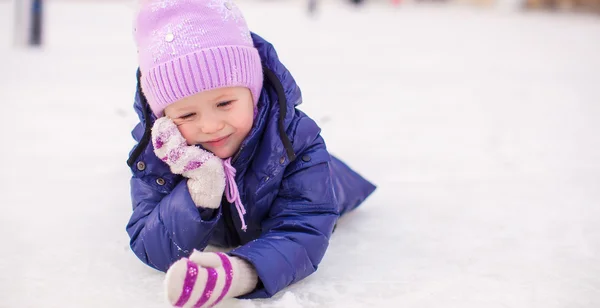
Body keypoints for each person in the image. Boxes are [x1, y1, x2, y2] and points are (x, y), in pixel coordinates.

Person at [126, 0, 376, 306]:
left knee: (331, 182)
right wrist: (199, 191)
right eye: (187, 116)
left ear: (253, 91)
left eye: (224, 104)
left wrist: (240, 272)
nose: (211, 125)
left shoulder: (296, 141)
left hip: (329, 181)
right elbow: (150, 245)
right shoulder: (159, 154)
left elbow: (304, 226)